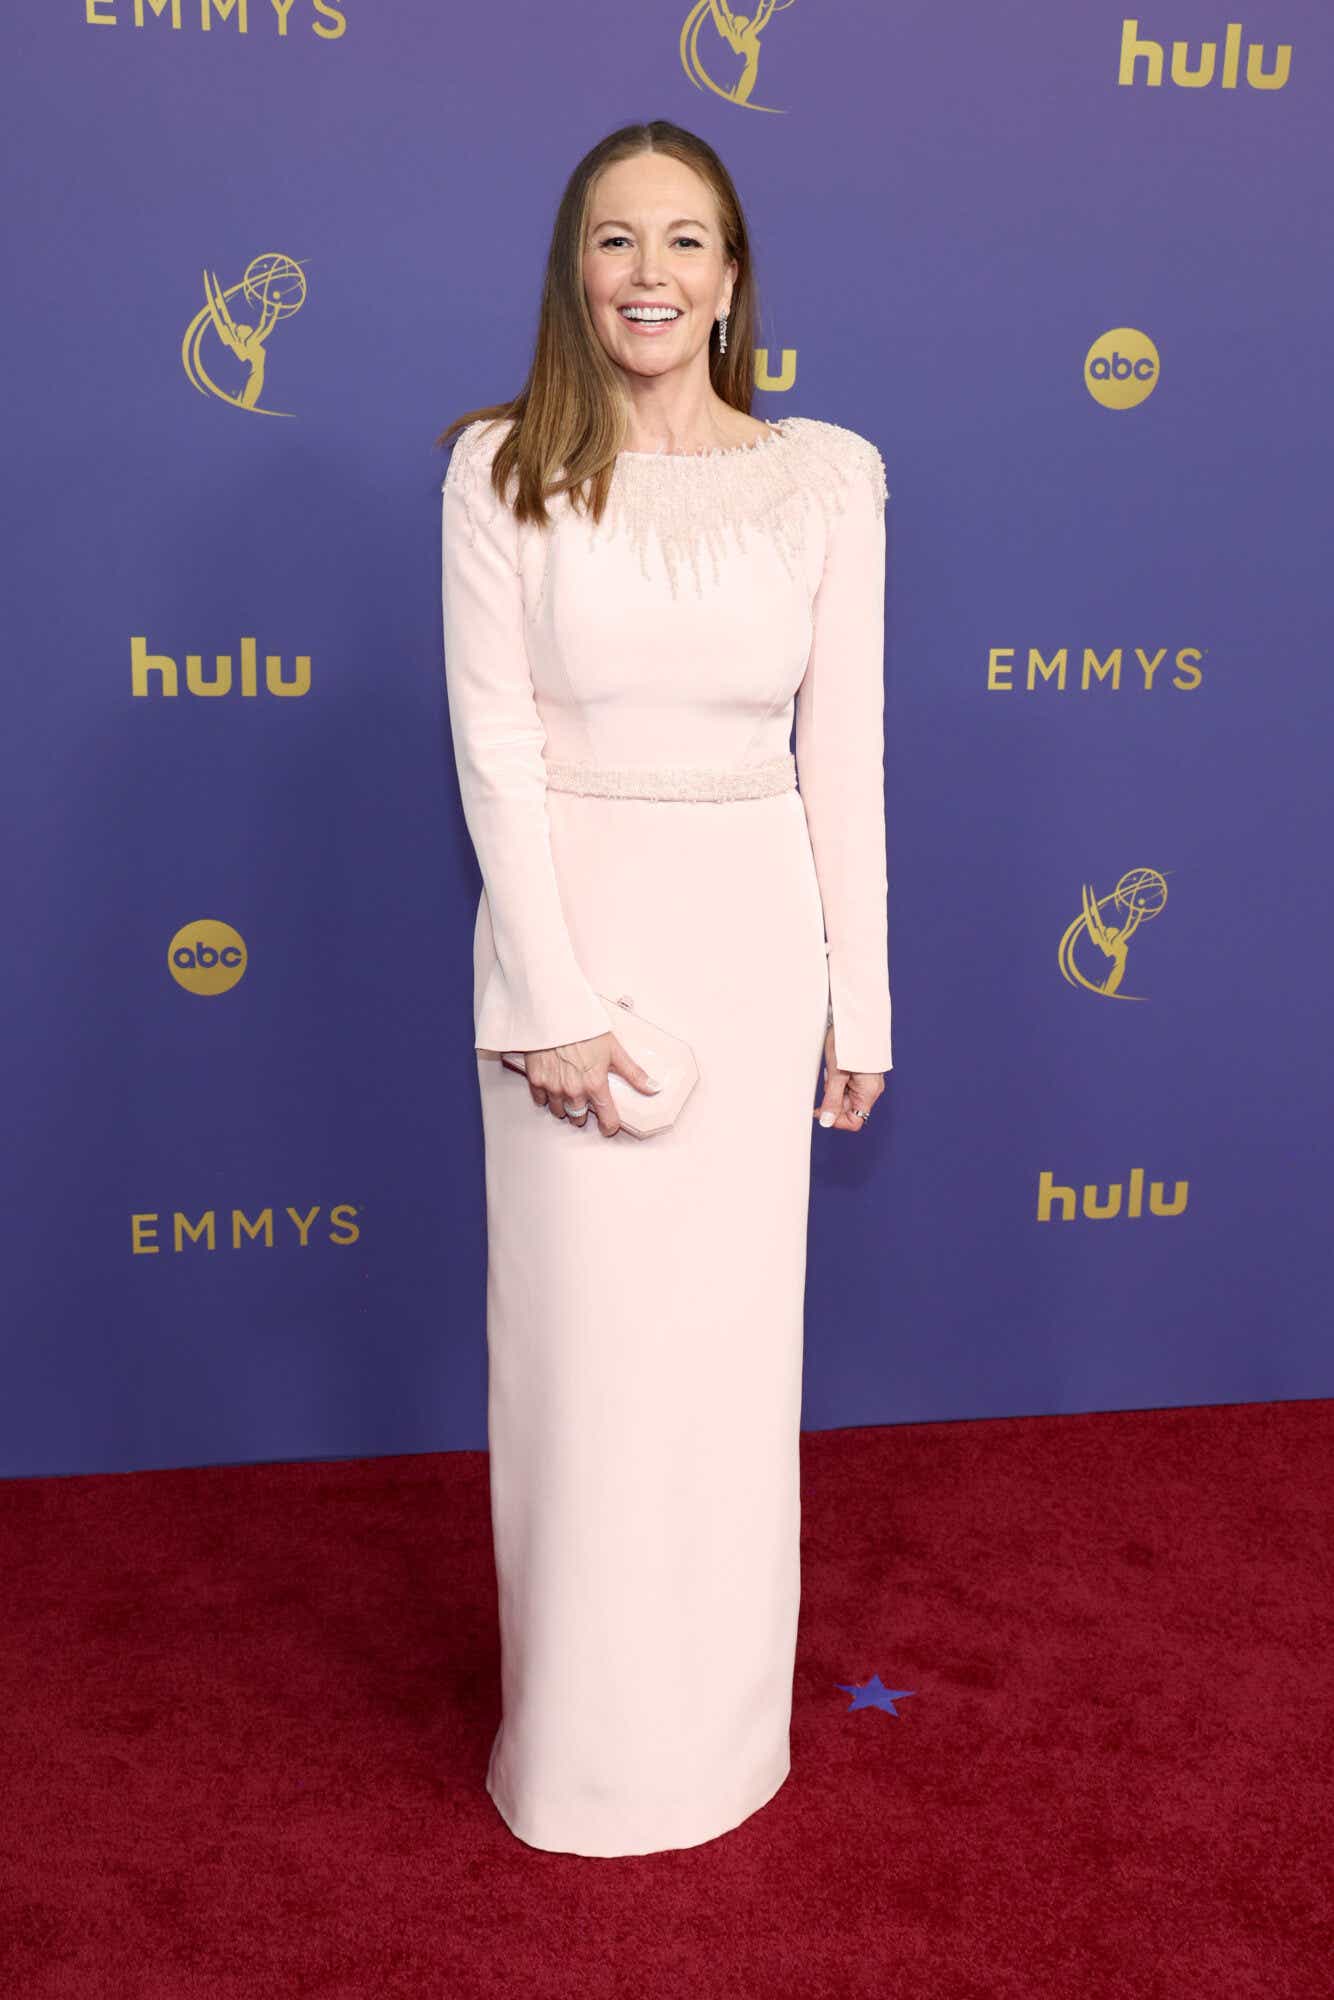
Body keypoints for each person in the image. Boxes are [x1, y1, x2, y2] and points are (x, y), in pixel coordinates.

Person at [437, 119, 892, 1858]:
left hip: (756, 940)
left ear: (731, 276)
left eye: (685, 241)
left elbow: (837, 753)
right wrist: (545, 997)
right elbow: (494, 747)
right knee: (581, 1360)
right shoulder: (500, 471)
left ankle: (715, 1741)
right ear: (573, 268)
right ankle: (579, 1751)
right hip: (579, 946)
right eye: (616, 239)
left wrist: (862, 1006)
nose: (650, 273)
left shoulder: (827, 475)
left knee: (719, 1363)